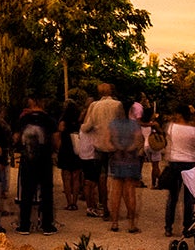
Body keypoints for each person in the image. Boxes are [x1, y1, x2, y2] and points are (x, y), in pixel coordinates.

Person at [15, 96, 59, 235]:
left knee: (27, 191)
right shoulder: (50, 120)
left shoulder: (23, 120)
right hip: (44, 159)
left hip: (27, 159)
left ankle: (24, 225)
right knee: (46, 191)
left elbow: (16, 137)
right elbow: (56, 140)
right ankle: (47, 225)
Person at [79, 83, 123, 218]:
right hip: (115, 146)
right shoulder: (118, 105)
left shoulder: (94, 106)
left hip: (99, 146)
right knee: (116, 178)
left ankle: (104, 208)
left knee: (101, 177)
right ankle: (115, 207)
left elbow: (87, 127)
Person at [163, 103, 195, 237]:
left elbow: (167, 141)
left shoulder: (171, 127)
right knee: (188, 198)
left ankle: (168, 227)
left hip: (175, 162)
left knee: (172, 197)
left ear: (178, 114)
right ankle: (187, 227)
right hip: (190, 163)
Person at [107, 99, 145, 232]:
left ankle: (115, 222)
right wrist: (129, 149)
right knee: (130, 192)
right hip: (131, 160)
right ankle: (131, 224)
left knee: (115, 192)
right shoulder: (134, 125)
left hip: (117, 158)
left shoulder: (113, 124)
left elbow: (111, 140)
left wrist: (120, 148)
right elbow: (138, 141)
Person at [57, 99, 83, 211]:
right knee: (76, 177)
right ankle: (75, 202)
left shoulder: (63, 121)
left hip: (65, 150)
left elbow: (59, 135)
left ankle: (69, 202)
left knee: (66, 177)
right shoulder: (78, 121)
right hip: (76, 150)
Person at [140, 109, 164, 188]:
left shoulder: (141, 124)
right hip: (154, 145)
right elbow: (161, 132)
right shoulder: (154, 124)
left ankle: (161, 179)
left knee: (152, 165)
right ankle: (154, 184)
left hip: (145, 146)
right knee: (155, 166)